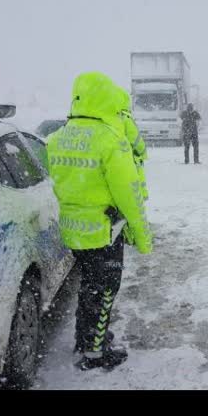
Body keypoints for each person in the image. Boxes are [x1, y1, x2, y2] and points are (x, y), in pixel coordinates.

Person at [47, 72, 153, 371]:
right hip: (103, 231)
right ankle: (95, 351)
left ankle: (87, 338)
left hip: (73, 231)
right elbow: (129, 195)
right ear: (108, 99)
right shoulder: (110, 141)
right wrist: (142, 236)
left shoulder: (57, 138)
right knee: (105, 288)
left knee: (89, 286)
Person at [116, 86, 149, 201]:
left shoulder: (109, 117)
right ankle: (139, 200)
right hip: (130, 156)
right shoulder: (125, 117)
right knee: (136, 182)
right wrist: (142, 152)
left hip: (116, 158)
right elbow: (136, 139)